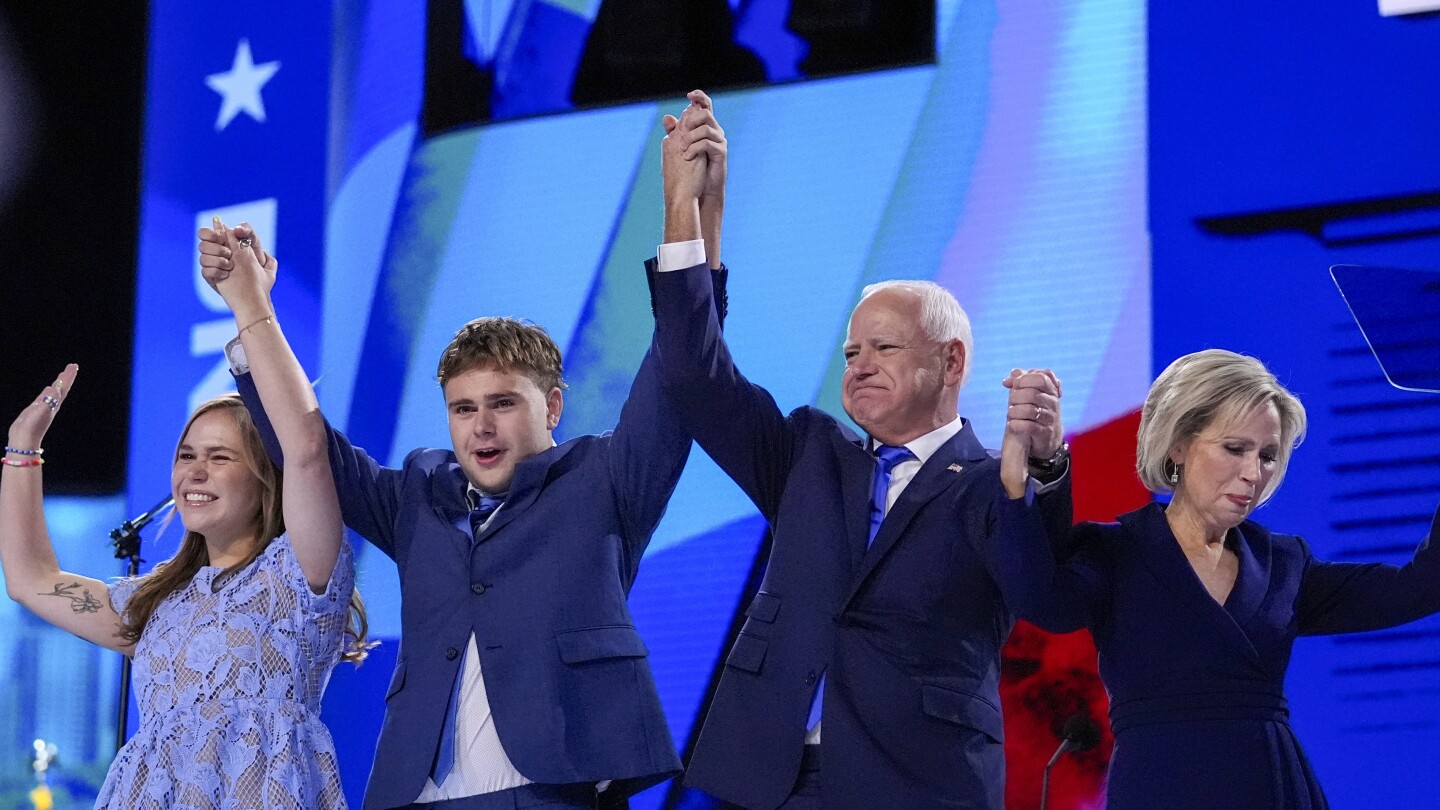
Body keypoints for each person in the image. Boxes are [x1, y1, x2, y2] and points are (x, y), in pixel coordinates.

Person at [196, 156, 729, 809]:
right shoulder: (420, 490)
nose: (481, 426)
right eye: (464, 408)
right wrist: (253, 313)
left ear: (553, 407)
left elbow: (679, 372)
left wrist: (689, 216)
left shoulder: (605, 478)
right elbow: (303, 445)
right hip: (415, 791)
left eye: (503, 403)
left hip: (549, 790)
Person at [650, 89, 1072, 810]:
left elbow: (1046, 596)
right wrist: (693, 213)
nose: (860, 365)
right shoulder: (809, 453)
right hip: (766, 780)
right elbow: (694, 374)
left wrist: (1038, 473)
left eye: (884, 347)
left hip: (916, 784)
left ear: (952, 361)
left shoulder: (985, 486)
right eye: (851, 352)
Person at [0, 221, 368, 809]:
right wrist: (23, 448)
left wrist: (251, 306)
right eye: (185, 456)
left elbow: (303, 445)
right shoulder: (157, 605)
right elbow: (30, 581)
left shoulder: (298, 575)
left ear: (263, 477)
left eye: (220, 458)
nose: (193, 472)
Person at [995, 348, 1440, 810]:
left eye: (1268, 455)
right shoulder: (1117, 552)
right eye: (1235, 449)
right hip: (1159, 789)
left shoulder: (1284, 563)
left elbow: (1419, 587)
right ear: (1179, 444)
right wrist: (1027, 471)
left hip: (1274, 789)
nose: (1254, 474)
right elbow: (1038, 597)